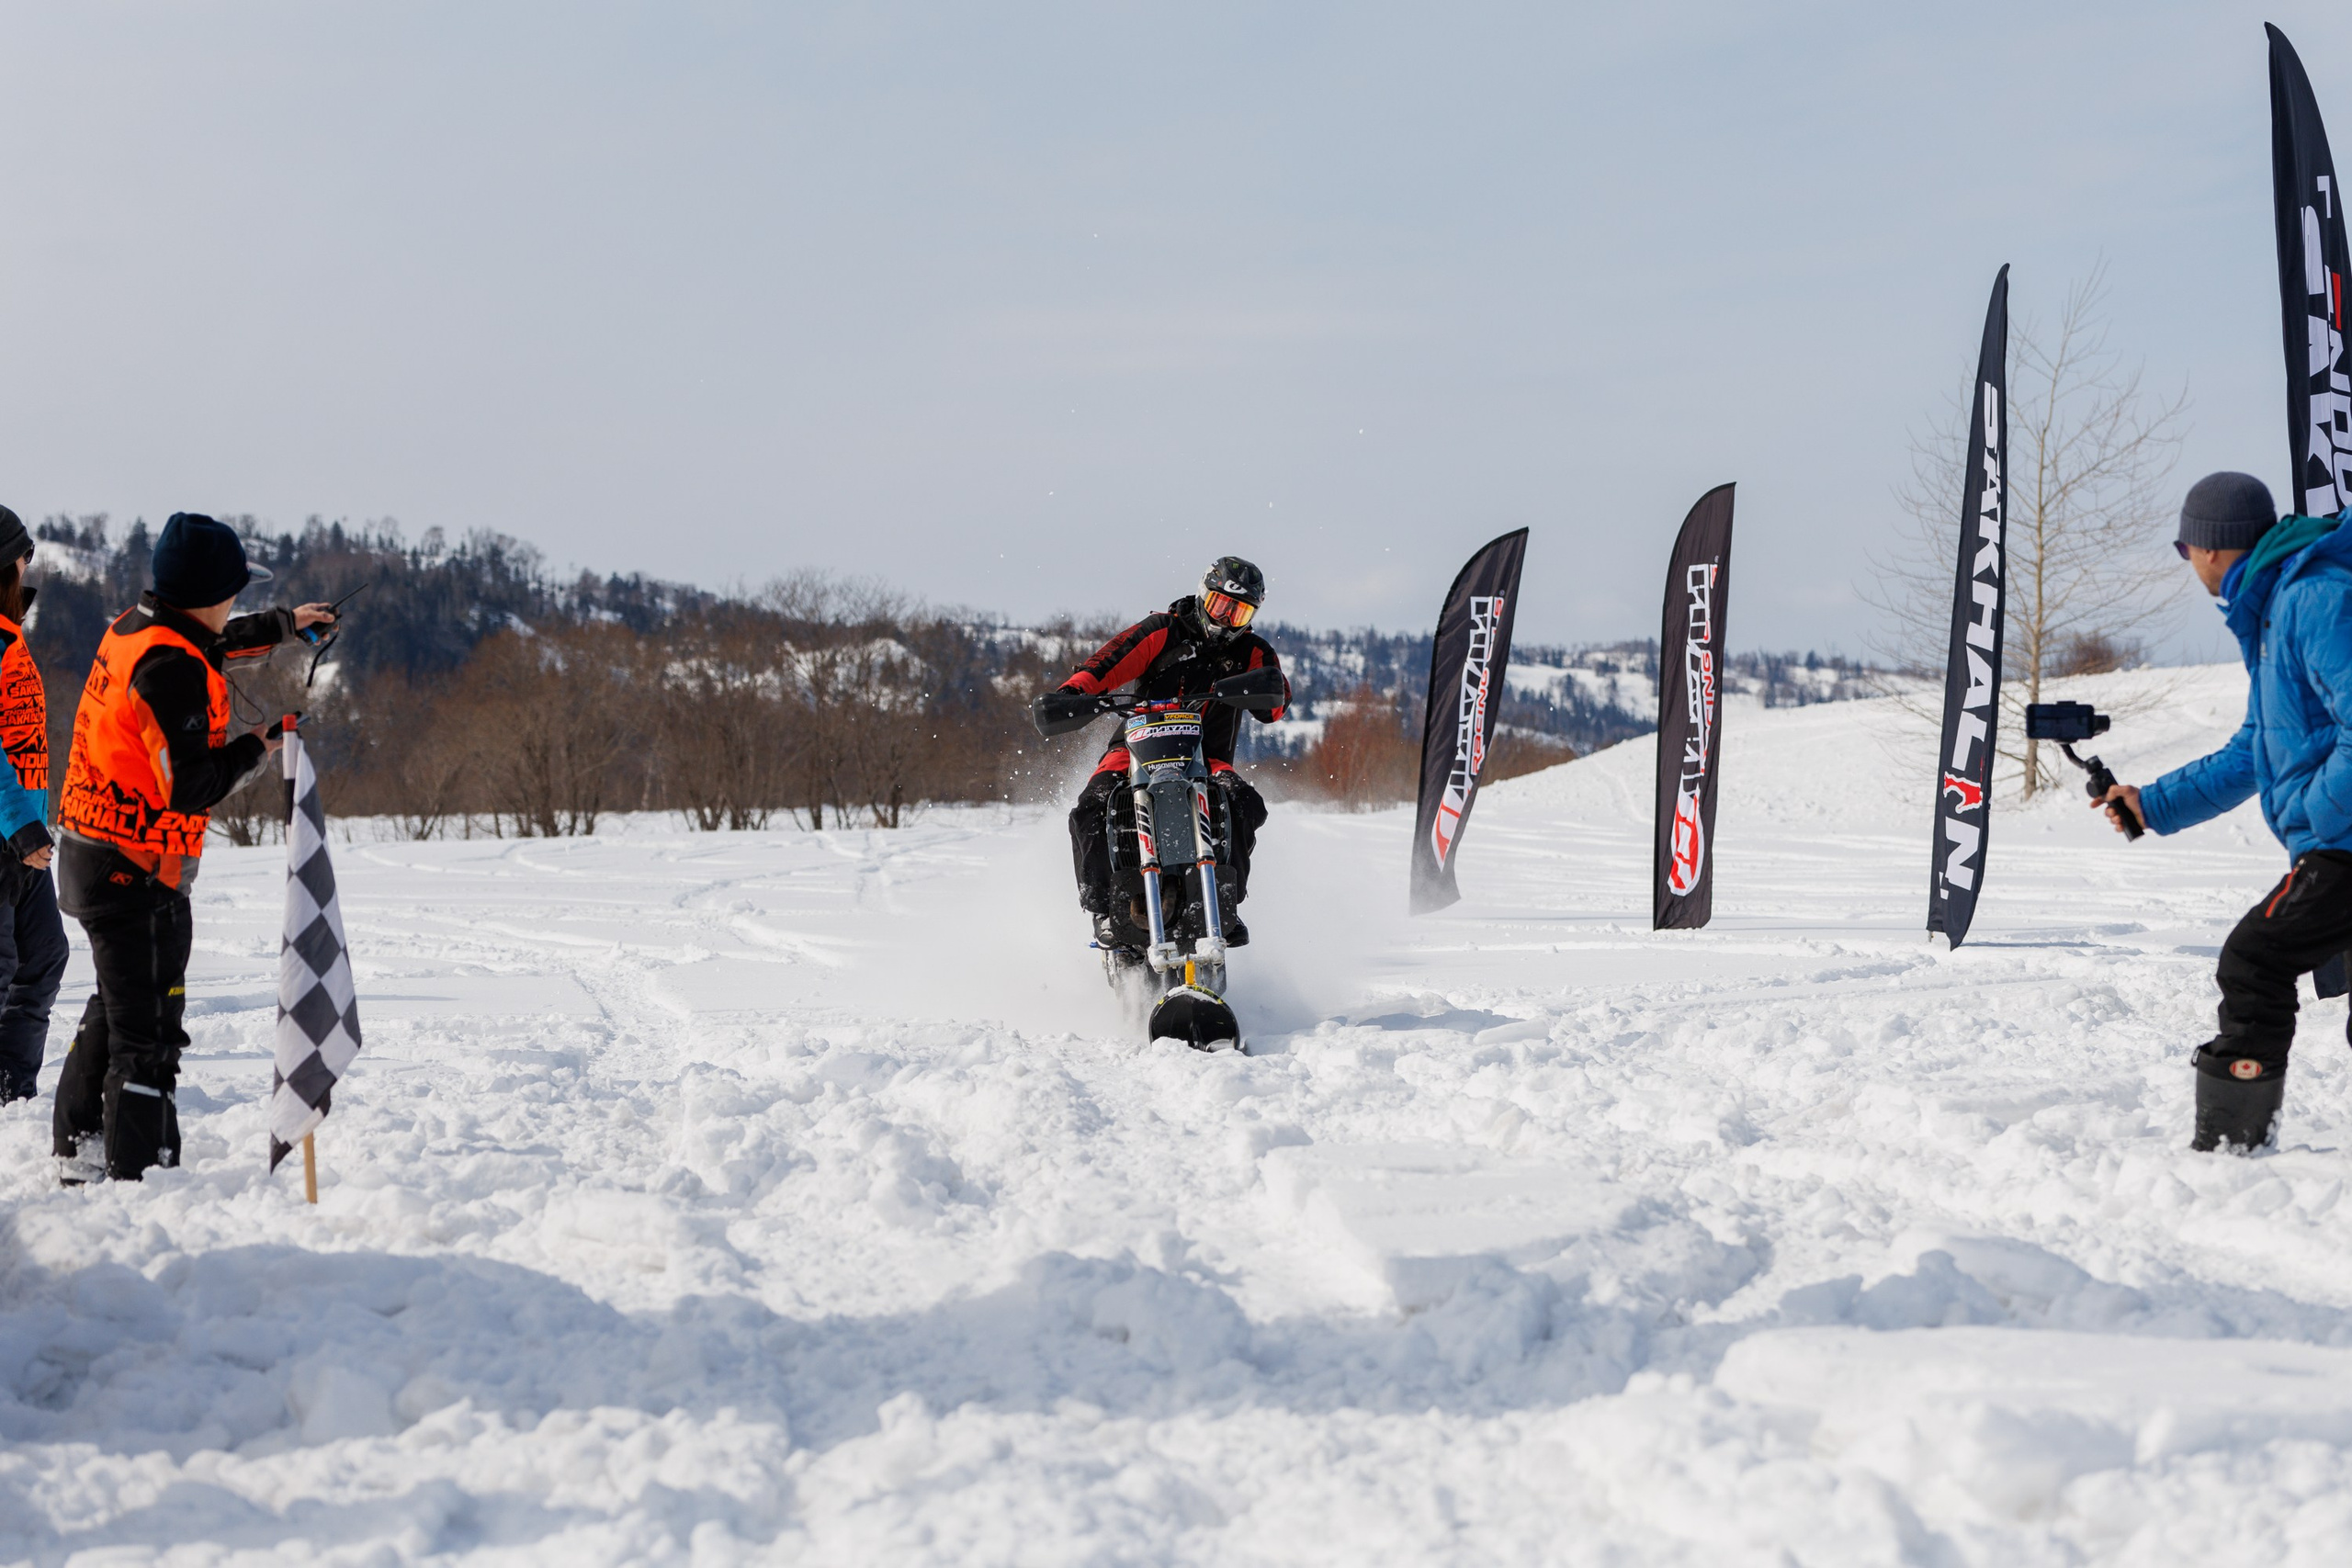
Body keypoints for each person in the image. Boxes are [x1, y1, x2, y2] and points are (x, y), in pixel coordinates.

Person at [51, 513, 338, 1181]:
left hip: (97, 859)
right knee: (148, 1031)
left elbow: (212, 643)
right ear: (211, 594)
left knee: (118, 1008)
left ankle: (79, 1147)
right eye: (235, 591)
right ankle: (140, 1173)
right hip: (133, 872)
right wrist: (256, 747)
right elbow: (188, 784)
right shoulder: (168, 666)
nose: (237, 602)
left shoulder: (141, 627)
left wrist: (285, 626)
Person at [2095, 471, 2352, 1153]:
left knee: (2255, 956)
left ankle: (2233, 1152)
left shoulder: (2312, 598)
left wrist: (2325, 821)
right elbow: (2253, 750)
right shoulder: (2274, 612)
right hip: (2336, 840)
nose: (2189, 566)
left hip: (2345, 844)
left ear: (2210, 548)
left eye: (2185, 551)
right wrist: (2150, 805)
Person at [1055, 557, 1289, 948]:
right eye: (1221, 605)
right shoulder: (1164, 630)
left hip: (1205, 758)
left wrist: (1272, 687)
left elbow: (1274, 707)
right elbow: (1111, 660)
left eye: (1240, 611)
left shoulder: (1253, 652)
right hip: (1135, 748)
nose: (1227, 617)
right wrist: (1075, 692)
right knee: (1091, 806)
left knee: (1245, 802)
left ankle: (1226, 903)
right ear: (1204, 594)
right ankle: (1102, 909)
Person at [0, 506, 69, 1104]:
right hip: (9, 834)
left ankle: (11, 1092)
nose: (30, 566)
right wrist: (22, 824)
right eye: (24, 556)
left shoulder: (8, 631)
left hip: (24, 833)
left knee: (44, 955)